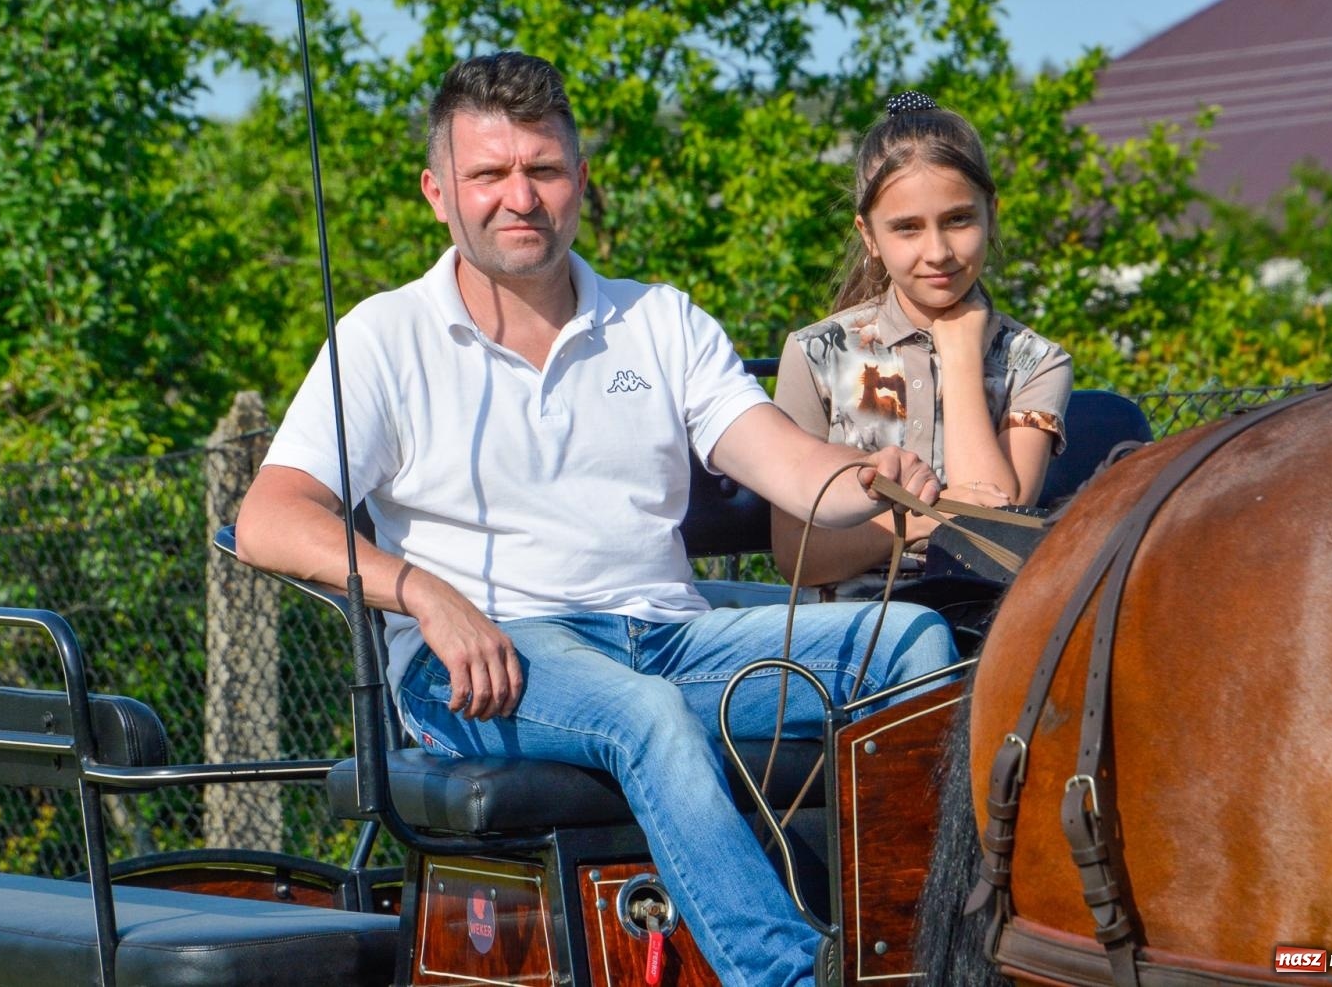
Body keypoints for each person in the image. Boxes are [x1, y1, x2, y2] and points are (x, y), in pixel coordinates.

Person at [235, 52, 956, 987]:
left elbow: (784, 462)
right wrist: (426, 596)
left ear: (581, 182)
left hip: (667, 638)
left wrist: (873, 477)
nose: (519, 197)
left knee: (914, 643)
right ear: (438, 193)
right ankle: (786, 973)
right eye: (488, 174)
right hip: (483, 670)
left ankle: (918, 948)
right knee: (645, 716)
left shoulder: (658, 321)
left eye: (541, 169)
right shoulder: (383, 337)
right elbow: (268, 517)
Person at [772, 92, 1072, 599]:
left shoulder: (1035, 361)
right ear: (869, 235)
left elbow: (993, 533)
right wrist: (921, 519)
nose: (937, 252)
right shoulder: (816, 355)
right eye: (907, 228)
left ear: (991, 214)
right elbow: (797, 557)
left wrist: (958, 360)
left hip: (989, 625)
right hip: (851, 635)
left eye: (958, 220)